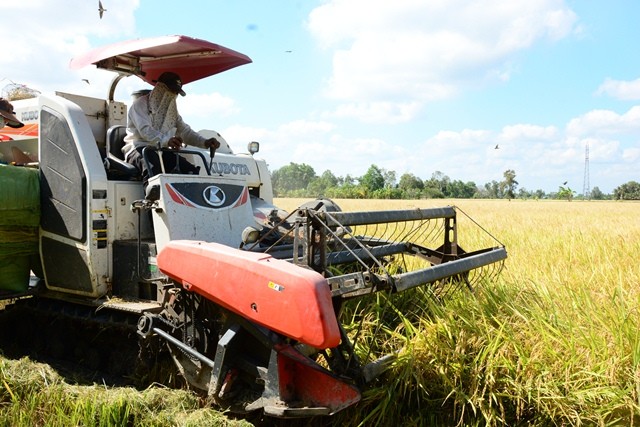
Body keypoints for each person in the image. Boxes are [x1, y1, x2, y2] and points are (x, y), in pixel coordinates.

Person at [122, 72, 221, 189]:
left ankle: (186, 203)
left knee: (189, 170)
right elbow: (146, 131)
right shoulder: (140, 105)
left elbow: (185, 132)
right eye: (171, 91)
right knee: (152, 166)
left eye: (175, 93)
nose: (173, 95)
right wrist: (167, 140)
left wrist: (205, 142)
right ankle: (152, 203)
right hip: (138, 149)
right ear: (160, 89)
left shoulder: (173, 112)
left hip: (161, 151)